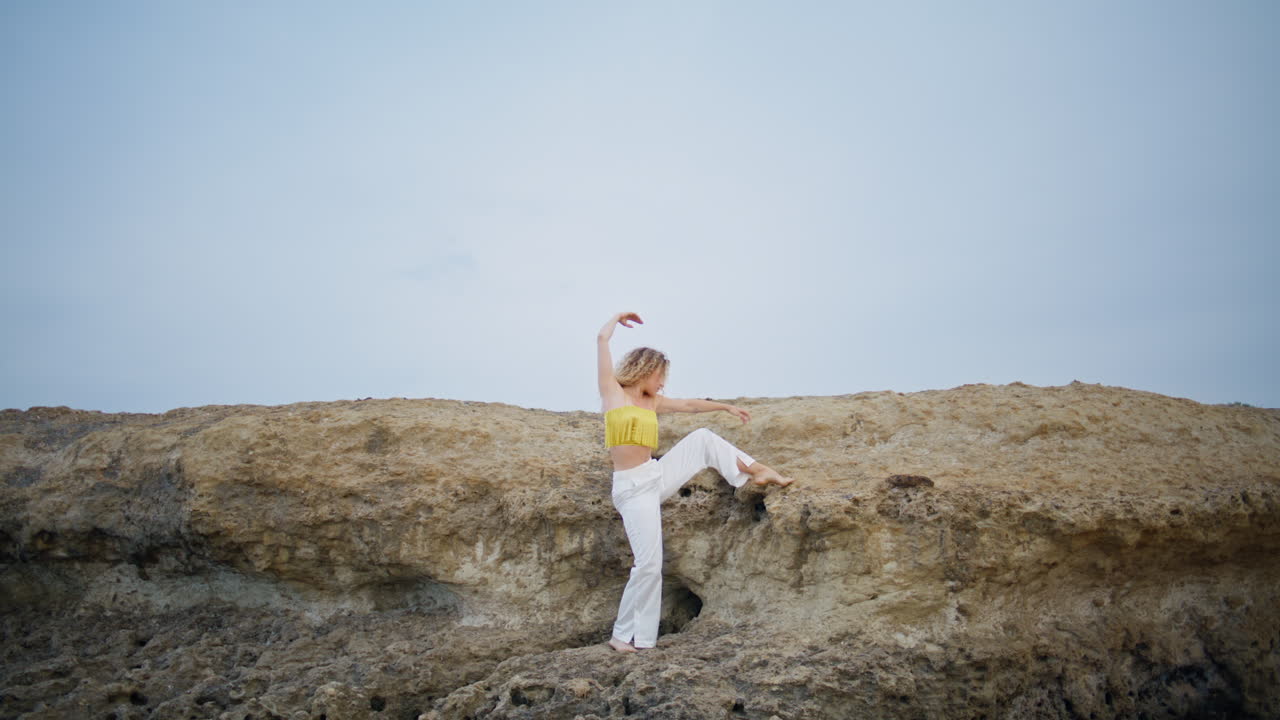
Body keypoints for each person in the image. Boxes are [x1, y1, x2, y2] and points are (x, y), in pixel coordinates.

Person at [598, 311, 793, 653]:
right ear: (646, 370)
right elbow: (601, 341)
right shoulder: (613, 394)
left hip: (654, 476)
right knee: (648, 565)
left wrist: (726, 407)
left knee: (702, 438)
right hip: (631, 489)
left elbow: (689, 405)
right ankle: (625, 637)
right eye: (660, 377)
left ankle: (758, 469)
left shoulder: (652, 402)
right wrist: (616, 320)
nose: (662, 385)